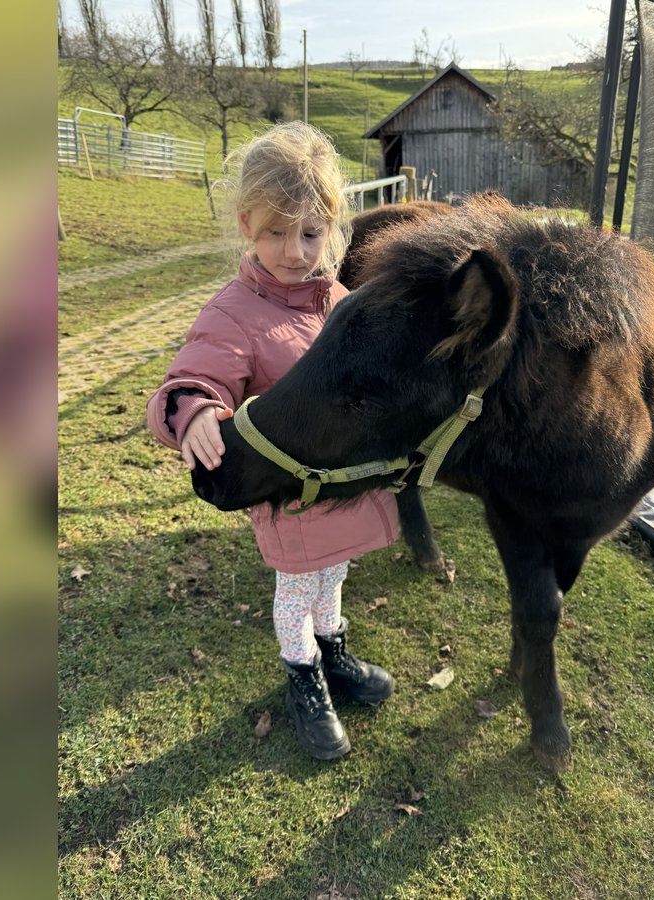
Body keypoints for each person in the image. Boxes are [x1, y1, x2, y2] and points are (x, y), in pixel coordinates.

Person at [146, 122, 399, 761]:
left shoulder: (338, 300)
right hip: (289, 494)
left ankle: (334, 653)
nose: (294, 250)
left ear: (333, 226)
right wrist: (194, 409)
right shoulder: (236, 312)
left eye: (310, 232)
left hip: (342, 486)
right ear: (246, 225)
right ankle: (304, 677)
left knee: (333, 577)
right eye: (276, 233)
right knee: (296, 591)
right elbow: (195, 372)